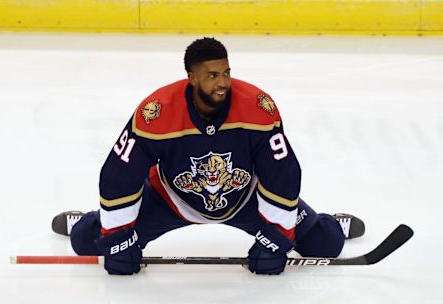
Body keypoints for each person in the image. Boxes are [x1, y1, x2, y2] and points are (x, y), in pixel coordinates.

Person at [51, 37, 364, 275]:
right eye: (212, 75)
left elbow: (282, 173)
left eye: (226, 72)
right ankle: (90, 219)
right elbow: (119, 173)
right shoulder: (156, 113)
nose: (223, 83)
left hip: (245, 198)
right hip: (170, 199)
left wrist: (276, 236)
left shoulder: (257, 107)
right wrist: (116, 235)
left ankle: (329, 222)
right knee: (86, 242)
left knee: (327, 244)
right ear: (192, 77)